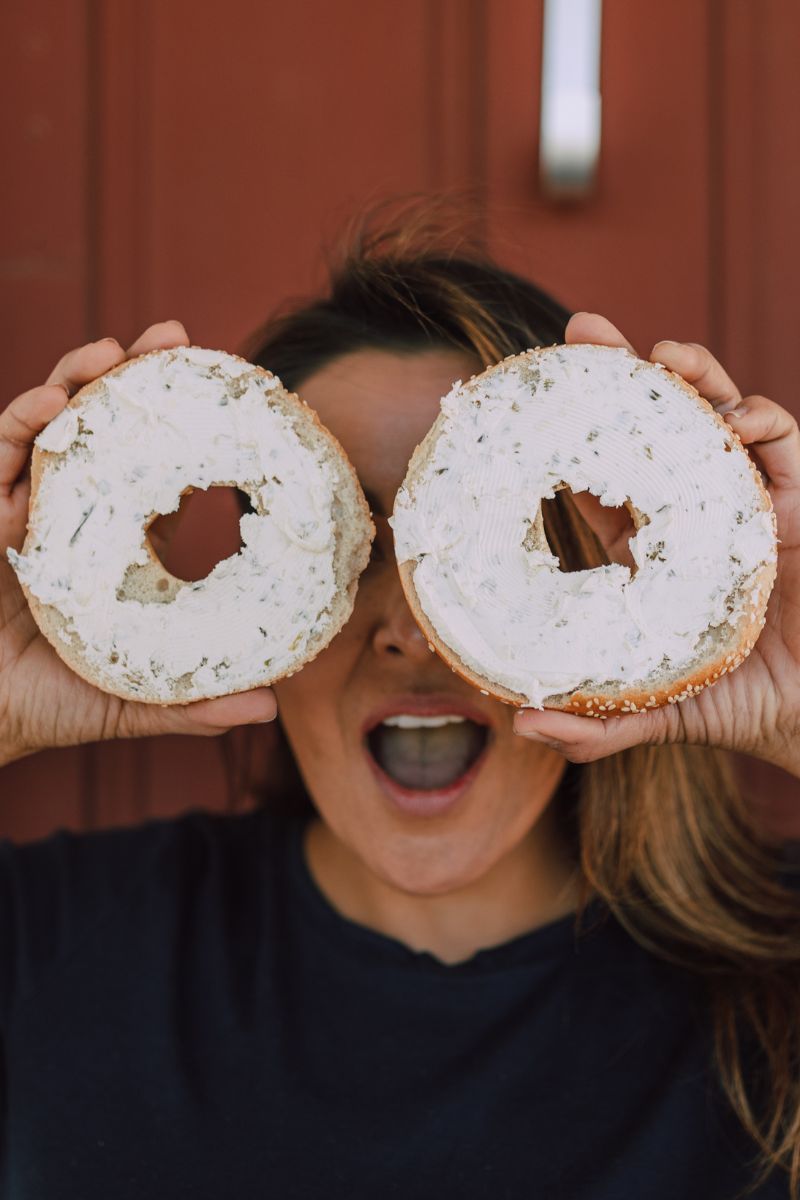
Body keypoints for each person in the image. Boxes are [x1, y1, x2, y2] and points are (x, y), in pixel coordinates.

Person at [1, 223, 799, 1199]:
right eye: (351, 542)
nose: (410, 633)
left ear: (602, 574)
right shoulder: (53, 946)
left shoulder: (777, 972)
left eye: (476, 553)